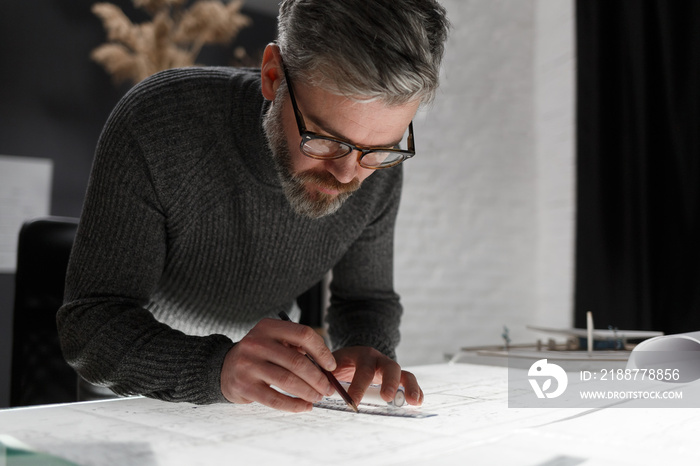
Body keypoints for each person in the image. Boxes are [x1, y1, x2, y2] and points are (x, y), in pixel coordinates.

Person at [57, 0, 449, 412]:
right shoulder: (159, 123)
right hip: (133, 399)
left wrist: (367, 348)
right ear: (272, 75)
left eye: (380, 148)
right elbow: (90, 326)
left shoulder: (375, 167)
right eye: (327, 139)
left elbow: (365, 300)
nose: (349, 174)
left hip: (265, 397)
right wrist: (219, 367)